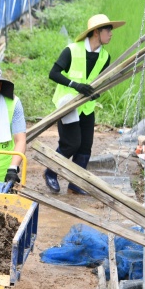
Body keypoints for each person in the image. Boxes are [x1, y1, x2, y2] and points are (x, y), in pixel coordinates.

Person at [43, 14, 125, 194]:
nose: (111, 34)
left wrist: (96, 93)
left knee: (85, 145)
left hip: (87, 107)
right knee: (71, 143)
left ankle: (75, 183)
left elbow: (100, 81)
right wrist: (75, 85)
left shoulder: (105, 56)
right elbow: (54, 73)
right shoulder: (72, 50)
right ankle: (50, 173)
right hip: (68, 105)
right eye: (108, 30)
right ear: (96, 32)